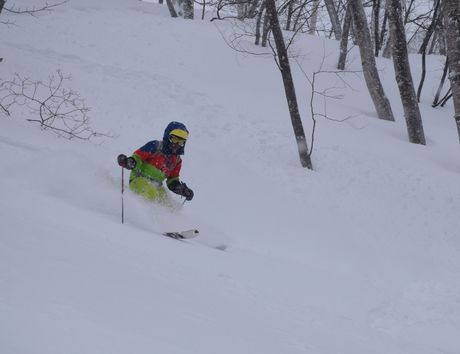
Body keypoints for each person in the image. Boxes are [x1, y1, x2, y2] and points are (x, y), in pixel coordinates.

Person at [117, 121, 194, 205]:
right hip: (138, 179)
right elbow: (138, 157)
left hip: (157, 186)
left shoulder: (177, 160)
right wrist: (129, 162)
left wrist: (182, 190)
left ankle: (165, 218)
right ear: (167, 137)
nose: (177, 144)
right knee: (152, 194)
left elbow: (172, 180)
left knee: (168, 204)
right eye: (175, 139)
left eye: (181, 142)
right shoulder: (155, 146)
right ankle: (144, 215)